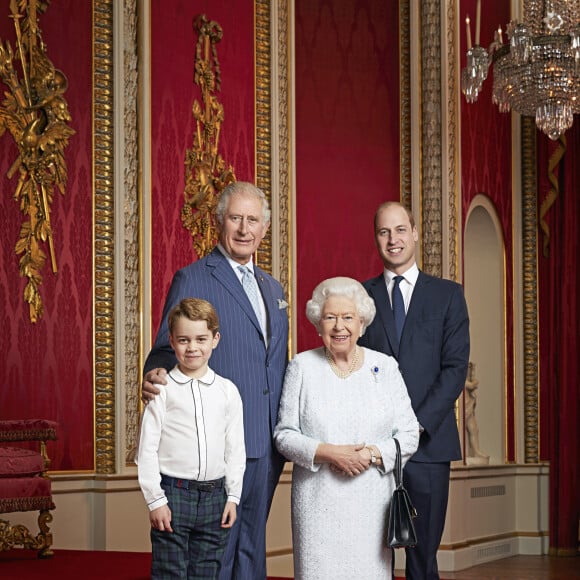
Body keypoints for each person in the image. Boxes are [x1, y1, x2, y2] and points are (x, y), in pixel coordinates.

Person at [142, 181, 289, 580]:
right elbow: (164, 346)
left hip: (266, 439)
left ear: (264, 228)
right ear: (219, 222)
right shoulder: (193, 278)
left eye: (253, 220)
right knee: (217, 552)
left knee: (252, 544)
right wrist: (153, 372)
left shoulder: (272, 288)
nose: (244, 229)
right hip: (218, 440)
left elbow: (277, 363)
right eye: (236, 218)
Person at [274, 276, 419, 579]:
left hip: (372, 504)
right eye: (330, 317)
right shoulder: (301, 367)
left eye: (348, 317)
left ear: (362, 322)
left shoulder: (386, 367)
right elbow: (284, 435)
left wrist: (368, 454)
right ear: (318, 323)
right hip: (317, 504)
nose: (339, 326)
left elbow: (408, 434)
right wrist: (330, 453)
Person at [359, 201, 470, 580]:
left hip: (429, 444)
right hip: (372, 447)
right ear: (376, 238)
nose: (393, 239)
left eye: (400, 230)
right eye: (384, 232)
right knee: (371, 557)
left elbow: (455, 369)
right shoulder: (360, 298)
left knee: (423, 560)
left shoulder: (448, 296)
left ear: (416, 233)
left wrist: (415, 428)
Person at [136, 298, 246, 579]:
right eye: (184, 340)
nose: (193, 347)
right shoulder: (162, 389)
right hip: (173, 495)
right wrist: (155, 500)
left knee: (207, 572)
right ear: (172, 341)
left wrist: (232, 497)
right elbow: (146, 450)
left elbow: (235, 450)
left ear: (215, 339)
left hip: (215, 498)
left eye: (201, 339)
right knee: (169, 572)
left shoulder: (227, 391)